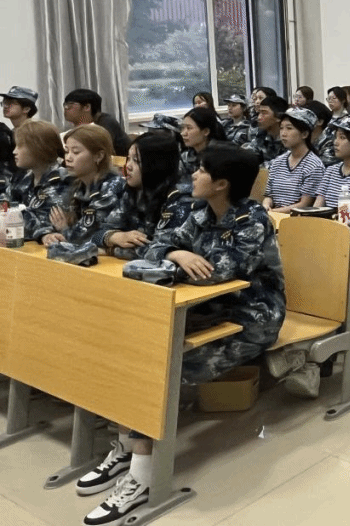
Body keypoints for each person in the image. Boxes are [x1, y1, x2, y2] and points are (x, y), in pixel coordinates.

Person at [81, 145, 285, 524]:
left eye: (202, 170)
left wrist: (169, 259)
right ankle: (127, 449)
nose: (193, 174)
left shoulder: (253, 219)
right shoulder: (201, 211)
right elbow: (156, 245)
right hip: (202, 309)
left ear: (222, 184)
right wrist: (177, 255)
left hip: (252, 315)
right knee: (125, 349)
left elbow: (216, 272)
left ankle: (143, 478)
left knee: (155, 370)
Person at [95, 133, 193, 258]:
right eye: (128, 158)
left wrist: (111, 249)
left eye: (136, 161)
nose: (127, 166)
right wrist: (113, 237)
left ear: (157, 165)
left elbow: (161, 251)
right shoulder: (132, 191)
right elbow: (96, 233)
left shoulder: (179, 200)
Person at [39, 125, 126, 248]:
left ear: (98, 156)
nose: (68, 158)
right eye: (67, 151)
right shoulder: (76, 182)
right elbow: (44, 215)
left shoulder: (112, 186)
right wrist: (47, 234)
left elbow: (84, 236)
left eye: (76, 152)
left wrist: (64, 229)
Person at [6, 119, 67, 242]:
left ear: (39, 147)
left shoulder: (61, 180)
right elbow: (5, 208)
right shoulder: (21, 178)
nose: (14, 151)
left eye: (20, 146)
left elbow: (47, 222)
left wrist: (14, 214)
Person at [262, 107, 325, 213]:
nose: (283, 133)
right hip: (274, 214)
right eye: (281, 128)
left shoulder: (314, 166)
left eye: (289, 128)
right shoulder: (278, 161)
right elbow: (269, 195)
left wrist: (273, 212)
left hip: (296, 219)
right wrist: (266, 205)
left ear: (304, 134)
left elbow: (304, 204)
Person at [63, 88, 130, 157]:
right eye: (64, 105)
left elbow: (96, 153)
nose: (65, 108)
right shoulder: (78, 127)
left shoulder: (105, 123)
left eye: (69, 105)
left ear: (87, 107)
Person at [179, 106, 228, 180]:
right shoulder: (186, 156)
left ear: (206, 131)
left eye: (189, 128)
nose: (183, 133)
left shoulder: (221, 157)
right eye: (183, 128)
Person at [243, 95, 287, 166]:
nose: (259, 117)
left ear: (278, 117)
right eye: (259, 113)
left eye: (264, 113)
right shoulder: (262, 136)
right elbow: (247, 154)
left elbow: (282, 165)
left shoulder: (289, 139)